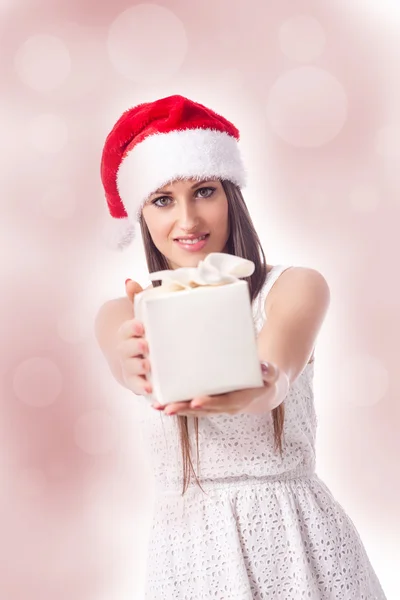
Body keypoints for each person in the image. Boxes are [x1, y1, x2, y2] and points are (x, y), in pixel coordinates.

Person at [95, 95, 387, 599]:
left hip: (296, 541)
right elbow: (127, 361)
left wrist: (259, 382)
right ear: (140, 213)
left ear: (232, 195)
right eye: (162, 199)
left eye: (204, 191)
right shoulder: (124, 311)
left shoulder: (294, 286)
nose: (187, 219)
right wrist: (136, 363)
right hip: (190, 550)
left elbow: (276, 372)